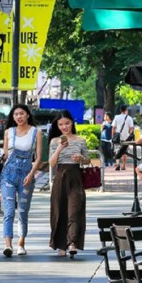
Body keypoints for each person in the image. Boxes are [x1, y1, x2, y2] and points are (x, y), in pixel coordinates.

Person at [0, 104, 44, 258]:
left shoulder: (36, 132)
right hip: (8, 175)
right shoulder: (9, 132)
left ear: (28, 115)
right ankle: (8, 245)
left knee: (22, 212)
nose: (19, 117)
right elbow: (6, 155)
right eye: (16, 114)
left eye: (22, 113)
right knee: (8, 212)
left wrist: (31, 174)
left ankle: (21, 243)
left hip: (26, 176)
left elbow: (39, 157)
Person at [48, 110, 90, 258]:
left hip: (75, 176)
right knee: (59, 211)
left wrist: (81, 158)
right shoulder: (54, 141)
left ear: (72, 122)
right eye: (61, 124)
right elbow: (52, 164)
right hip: (60, 176)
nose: (64, 127)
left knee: (75, 210)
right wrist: (60, 147)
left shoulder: (80, 140)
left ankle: (72, 243)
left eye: (67, 123)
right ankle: (61, 245)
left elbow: (88, 160)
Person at [111, 105, 134, 171]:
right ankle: (123, 165)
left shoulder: (116, 117)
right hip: (126, 137)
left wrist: (112, 137)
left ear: (120, 110)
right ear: (126, 110)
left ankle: (117, 163)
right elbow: (131, 129)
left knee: (117, 150)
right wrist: (129, 134)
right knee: (124, 151)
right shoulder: (129, 118)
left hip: (118, 137)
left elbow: (113, 128)